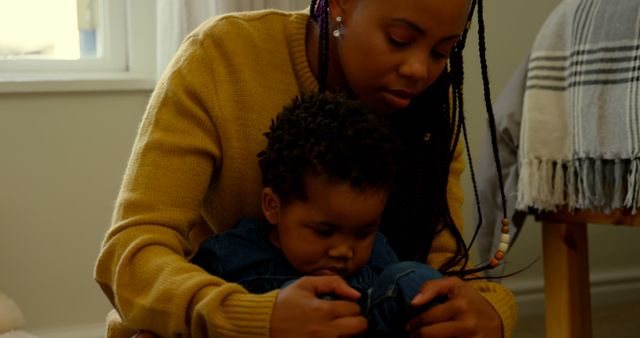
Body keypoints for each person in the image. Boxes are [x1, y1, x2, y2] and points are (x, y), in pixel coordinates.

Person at [94, 0, 518, 337]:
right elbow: (130, 256)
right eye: (398, 38)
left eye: (442, 51)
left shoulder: (428, 106)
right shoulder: (221, 57)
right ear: (340, 4)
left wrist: (491, 312)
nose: (419, 70)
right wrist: (251, 317)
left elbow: (443, 266)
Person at [191, 92, 447, 337]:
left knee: (414, 278)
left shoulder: (378, 253)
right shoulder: (230, 256)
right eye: (324, 231)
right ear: (273, 206)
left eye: (363, 233)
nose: (344, 251)